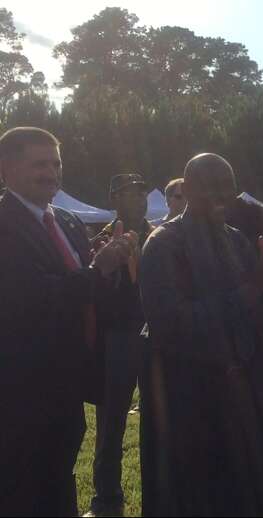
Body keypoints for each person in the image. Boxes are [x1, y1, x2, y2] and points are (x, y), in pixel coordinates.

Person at [137, 153, 263, 516]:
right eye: (212, 187)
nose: (223, 196)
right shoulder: (163, 244)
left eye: (228, 188)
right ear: (187, 189)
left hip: (238, 396)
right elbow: (171, 323)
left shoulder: (236, 240)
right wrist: (250, 290)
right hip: (186, 399)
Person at [0, 127, 135, 516]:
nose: (51, 172)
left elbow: (88, 297)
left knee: (60, 480)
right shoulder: (4, 226)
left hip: (68, 386)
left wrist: (119, 270)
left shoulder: (69, 223)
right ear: (6, 170)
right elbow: (34, 297)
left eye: (56, 163)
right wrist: (99, 268)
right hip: (21, 393)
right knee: (23, 488)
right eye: (39, 164)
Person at [85, 174, 156, 517]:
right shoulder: (100, 239)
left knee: (159, 419)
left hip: (157, 335)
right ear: (114, 199)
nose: (139, 199)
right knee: (111, 423)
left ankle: (158, 493)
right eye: (130, 194)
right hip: (118, 338)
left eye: (142, 193)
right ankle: (107, 498)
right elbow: (93, 293)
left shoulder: (159, 235)